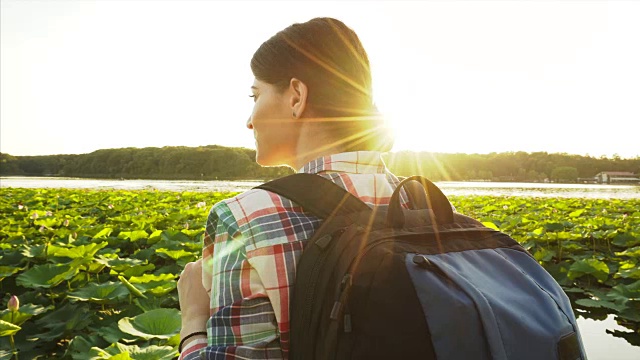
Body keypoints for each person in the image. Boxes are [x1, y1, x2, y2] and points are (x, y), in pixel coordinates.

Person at [177, 17, 405, 359]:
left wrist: (193, 320)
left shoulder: (244, 219)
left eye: (255, 95)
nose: (249, 120)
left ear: (296, 96)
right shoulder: (426, 205)